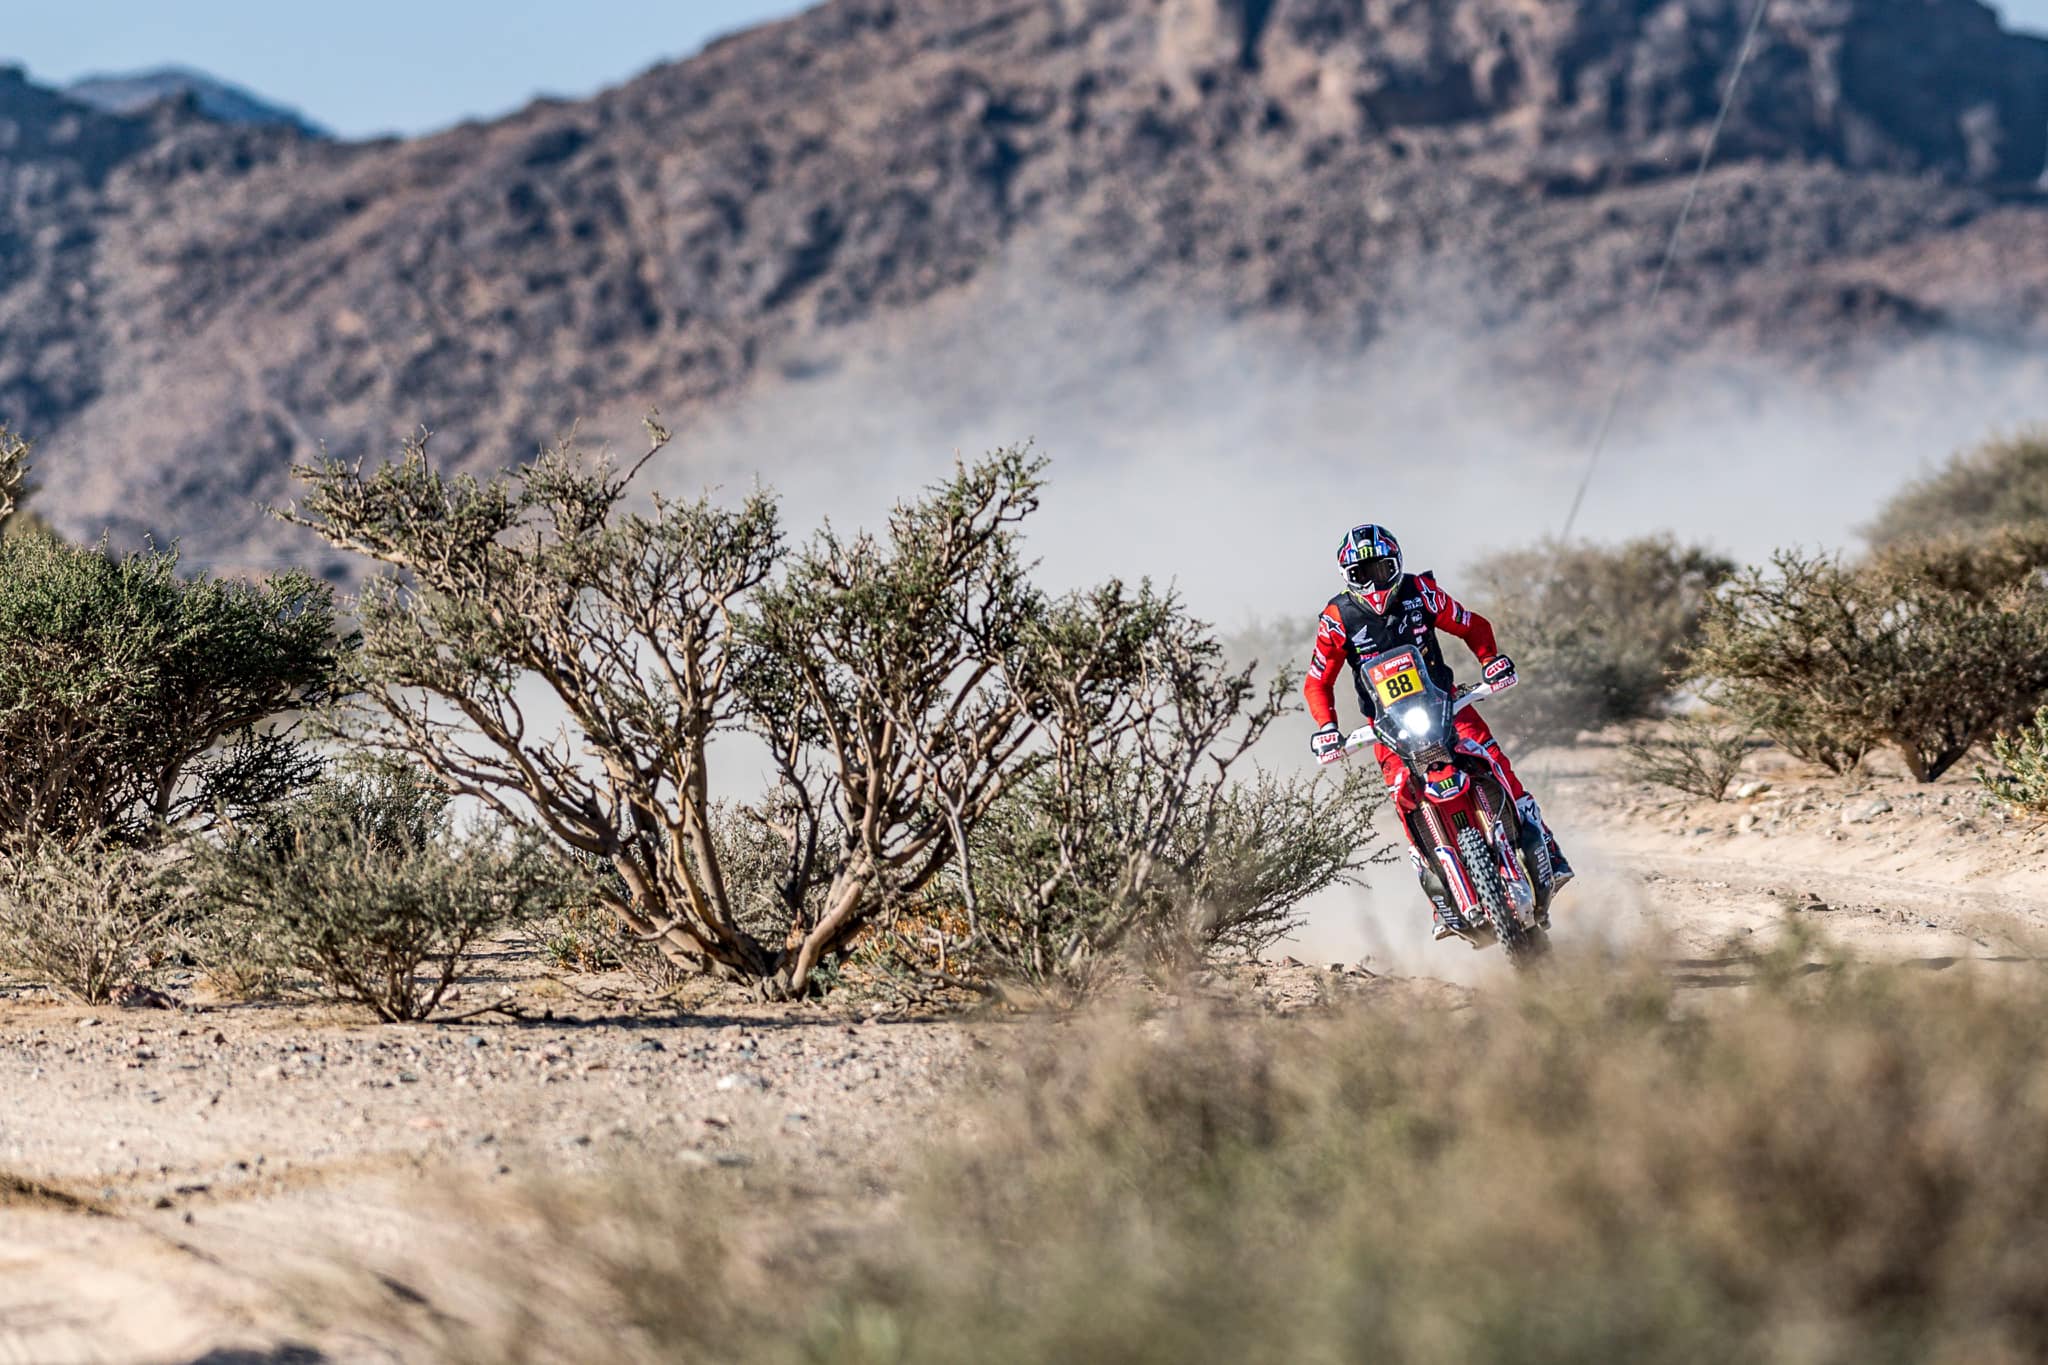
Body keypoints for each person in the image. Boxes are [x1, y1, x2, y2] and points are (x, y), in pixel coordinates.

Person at [1304, 522, 1573, 940]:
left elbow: (1472, 624)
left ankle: (1547, 850)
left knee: (1494, 760)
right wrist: (1327, 728)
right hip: (1387, 725)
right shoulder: (1337, 618)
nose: (1374, 581)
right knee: (1401, 797)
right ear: (1347, 578)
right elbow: (1317, 681)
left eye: (1382, 569)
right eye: (1362, 574)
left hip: (1444, 703)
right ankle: (1439, 901)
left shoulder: (1421, 592)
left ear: (1397, 565)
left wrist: (1491, 661)